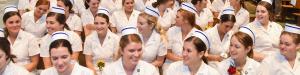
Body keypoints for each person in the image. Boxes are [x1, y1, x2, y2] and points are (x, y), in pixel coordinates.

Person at [163, 2, 201, 74]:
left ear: (186, 20)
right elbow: (167, 53)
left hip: (191, 65)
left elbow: (198, 56)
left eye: (177, 17)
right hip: (171, 64)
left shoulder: (197, 34)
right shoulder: (171, 30)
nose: (175, 18)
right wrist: (182, 60)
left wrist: (186, 61)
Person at [2, 5, 40, 73]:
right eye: (11, 22)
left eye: (17, 21)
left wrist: (16, 72)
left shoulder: (30, 38)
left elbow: (34, 63)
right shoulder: (1, 38)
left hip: (26, 72)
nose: (15, 25)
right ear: (5, 23)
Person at [84, 7, 120, 75]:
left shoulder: (116, 39)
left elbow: (116, 61)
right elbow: (88, 62)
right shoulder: (89, 39)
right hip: (94, 72)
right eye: (96, 23)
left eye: (102, 23)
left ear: (108, 24)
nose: (99, 26)